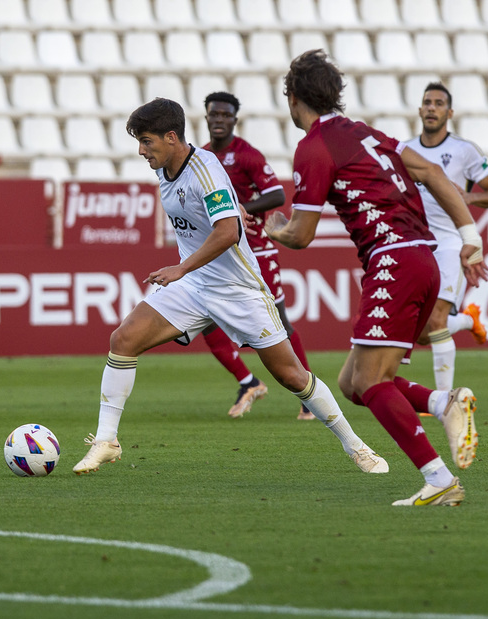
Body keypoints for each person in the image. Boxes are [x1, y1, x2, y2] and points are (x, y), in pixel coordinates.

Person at [73, 97, 389, 476]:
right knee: (123, 340)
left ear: (171, 137)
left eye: (147, 142)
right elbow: (218, 212)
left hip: (238, 289)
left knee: (291, 376)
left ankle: (356, 446)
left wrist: (180, 267)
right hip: (195, 285)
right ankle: (107, 441)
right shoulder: (165, 169)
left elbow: (228, 232)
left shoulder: (204, 169)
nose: (141, 151)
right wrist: (191, 267)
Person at [265, 50, 488, 505]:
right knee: (353, 383)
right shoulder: (368, 134)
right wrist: (469, 234)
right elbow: (429, 170)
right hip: (424, 258)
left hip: (394, 261)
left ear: (293, 97)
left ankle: (439, 479)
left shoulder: (314, 146)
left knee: (370, 383)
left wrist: (276, 231)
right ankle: (445, 403)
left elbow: (302, 235)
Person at [196, 90, 315, 421]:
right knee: (205, 320)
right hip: (221, 254)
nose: (219, 120)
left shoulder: (246, 154)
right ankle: (248, 381)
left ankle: (309, 395)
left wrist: (240, 209)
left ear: (234, 120)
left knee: (278, 320)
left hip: (256, 251)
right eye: (214, 114)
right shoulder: (203, 157)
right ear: (206, 118)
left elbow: (277, 194)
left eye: (225, 115)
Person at [401, 82, 488, 391]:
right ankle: (467, 320)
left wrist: (469, 200)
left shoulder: (464, 150)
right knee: (421, 333)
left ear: (449, 112)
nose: (432, 107)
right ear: (420, 110)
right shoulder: (405, 151)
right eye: (427, 102)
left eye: (438, 103)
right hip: (418, 245)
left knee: (435, 322)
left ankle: (445, 401)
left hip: (450, 243)